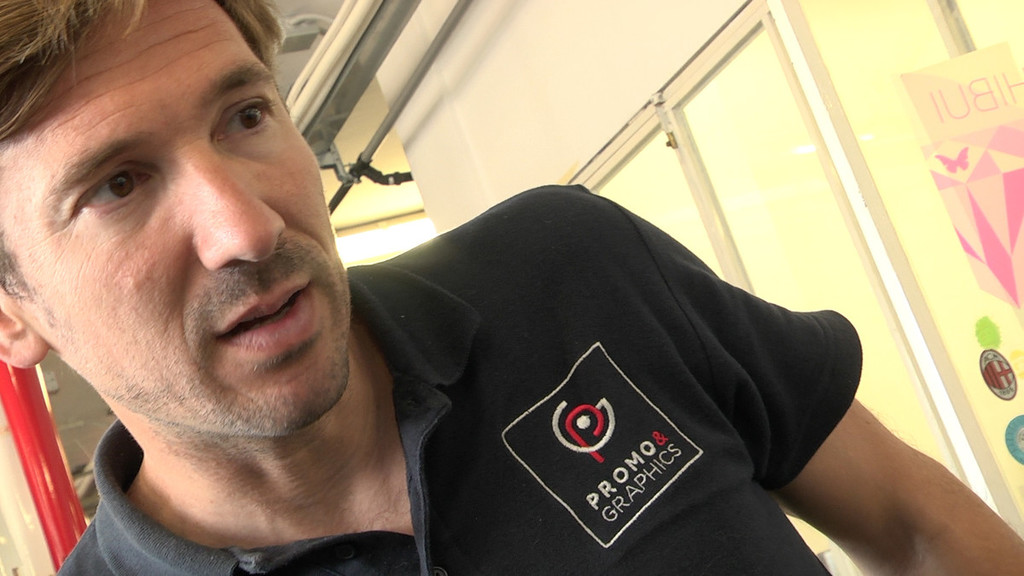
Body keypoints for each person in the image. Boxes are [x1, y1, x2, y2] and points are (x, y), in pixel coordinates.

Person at [0, 0, 1022, 574]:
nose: (248, 228)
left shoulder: (572, 274)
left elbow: (918, 528)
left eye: (245, 117)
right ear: (12, 315)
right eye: (117, 186)